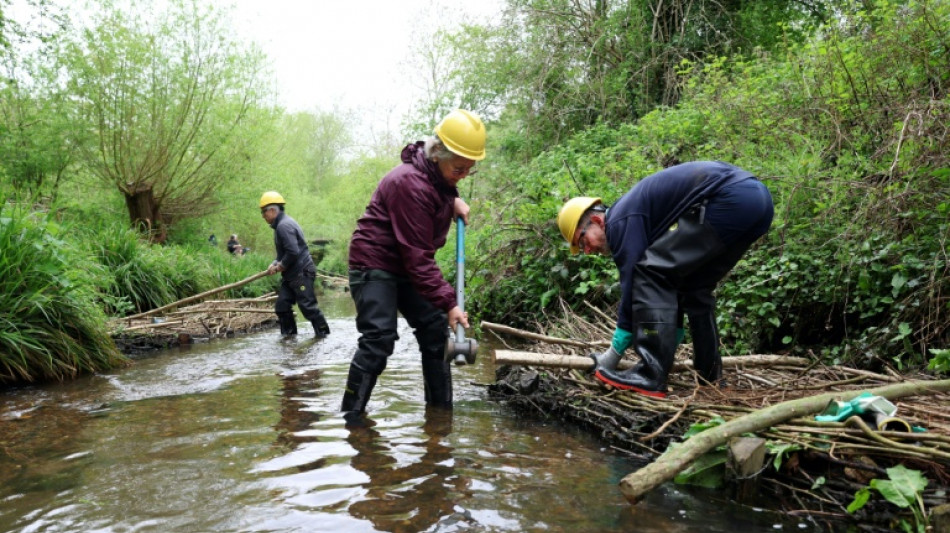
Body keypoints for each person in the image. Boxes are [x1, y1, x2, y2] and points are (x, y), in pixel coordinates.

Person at [557, 161, 773, 398]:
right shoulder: (632, 216)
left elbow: (635, 278)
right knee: (696, 288)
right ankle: (710, 377)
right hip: (757, 202)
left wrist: (614, 351)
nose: (587, 250)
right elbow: (672, 276)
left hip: (732, 200)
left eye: (583, 240)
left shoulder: (619, 221)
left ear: (596, 221)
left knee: (649, 271)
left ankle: (650, 376)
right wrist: (674, 326)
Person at [341, 109, 486, 422]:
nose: (463, 175)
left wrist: (453, 200)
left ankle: (440, 417)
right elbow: (419, 259)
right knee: (379, 340)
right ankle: (351, 420)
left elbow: (443, 186)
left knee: (435, 331)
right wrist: (450, 303)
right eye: (459, 168)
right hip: (374, 263)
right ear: (437, 154)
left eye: (469, 171)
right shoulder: (409, 183)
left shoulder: (437, 177)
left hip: (405, 265)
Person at [260, 191, 331, 338]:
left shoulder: (283, 226)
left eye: (263, 212)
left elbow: (293, 252)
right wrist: (274, 263)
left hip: (301, 273)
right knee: (282, 307)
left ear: (272, 210)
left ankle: (325, 335)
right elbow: (282, 253)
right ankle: (289, 339)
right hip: (291, 275)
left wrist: (280, 266)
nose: (262, 216)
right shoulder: (280, 225)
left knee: (308, 308)